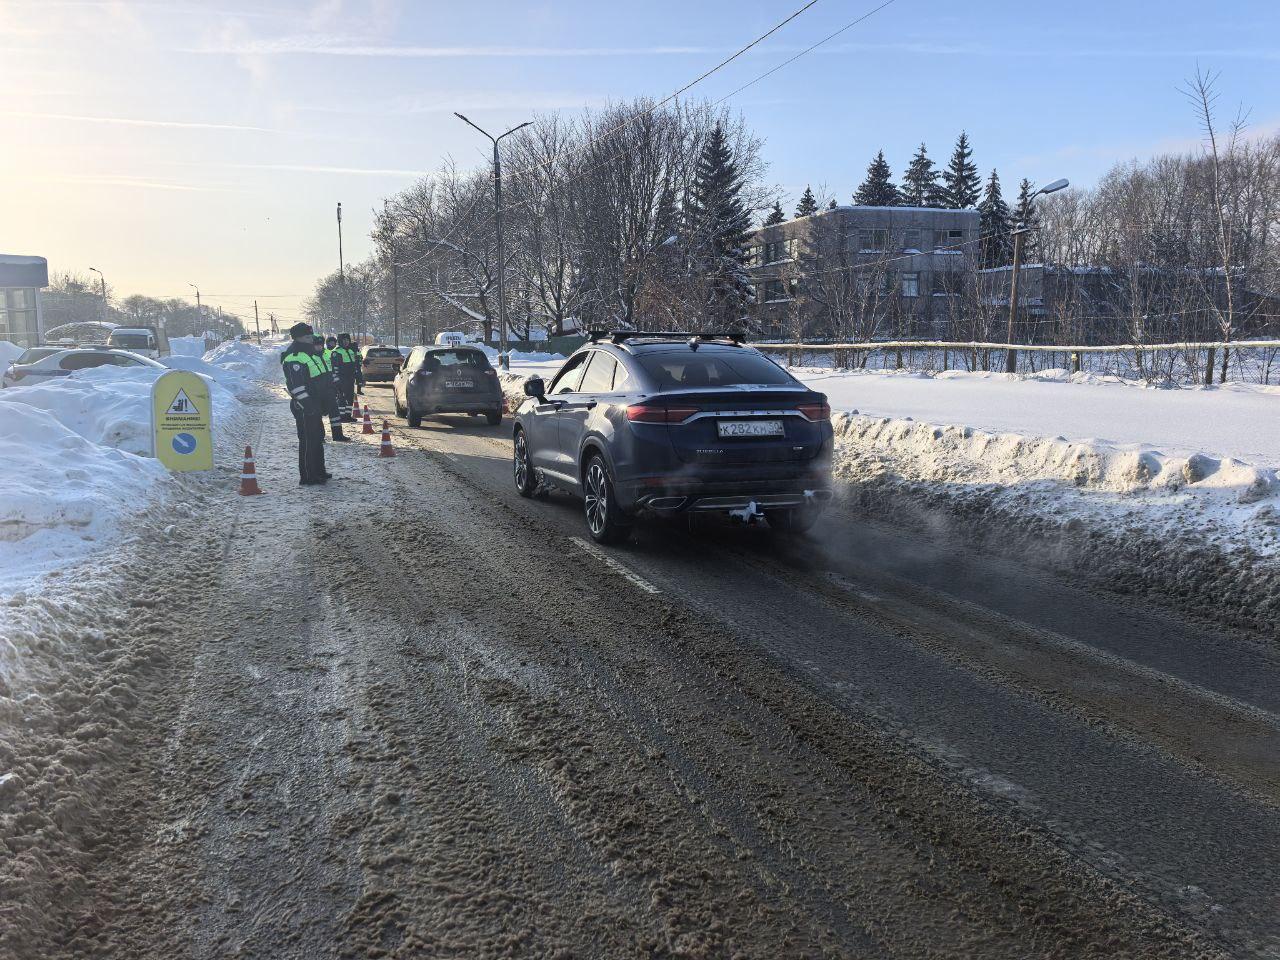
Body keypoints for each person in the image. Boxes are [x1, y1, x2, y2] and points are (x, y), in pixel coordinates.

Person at [280, 322, 329, 485]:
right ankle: (308, 476)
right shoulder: (294, 356)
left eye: (311, 335)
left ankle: (319, 471)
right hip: (304, 405)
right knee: (308, 440)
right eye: (307, 336)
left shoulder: (310, 353)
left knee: (317, 438)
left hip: (315, 403)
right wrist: (308, 405)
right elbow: (296, 386)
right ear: (298, 338)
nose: (311, 339)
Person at [311, 333, 350, 442]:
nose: (319, 347)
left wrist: (338, 386)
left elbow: (333, 371)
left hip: (329, 389)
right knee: (317, 415)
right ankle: (320, 437)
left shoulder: (328, 354)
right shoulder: (309, 356)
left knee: (335, 414)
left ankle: (338, 435)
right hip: (316, 391)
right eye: (316, 345)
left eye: (320, 344)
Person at [330, 333, 363, 421]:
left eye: (347, 340)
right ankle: (342, 416)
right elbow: (334, 368)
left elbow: (357, 362)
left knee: (350, 397)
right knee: (342, 398)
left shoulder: (351, 350)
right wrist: (336, 380)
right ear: (340, 341)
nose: (346, 342)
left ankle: (348, 415)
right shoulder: (336, 352)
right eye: (344, 340)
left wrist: (357, 351)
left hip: (350, 378)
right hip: (341, 378)